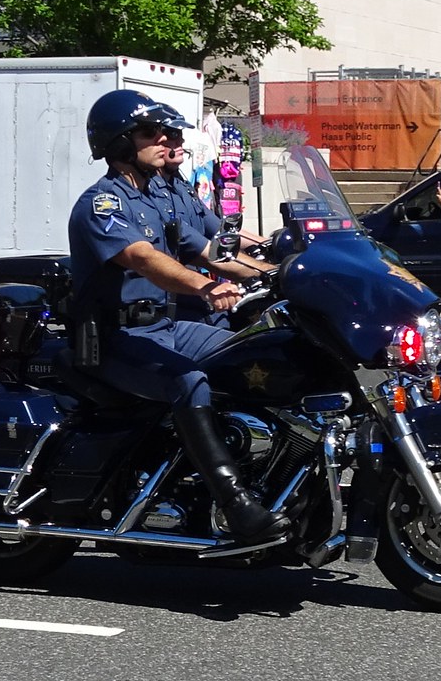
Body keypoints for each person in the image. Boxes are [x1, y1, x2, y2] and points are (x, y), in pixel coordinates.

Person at [66, 88, 290, 543]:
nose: (167, 139)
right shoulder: (102, 203)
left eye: (167, 132)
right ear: (119, 142)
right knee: (189, 382)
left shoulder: (155, 200)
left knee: (254, 353)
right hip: (116, 337)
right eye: (151, 132)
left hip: (165, 327)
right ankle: (235, 503)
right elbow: (143, 258)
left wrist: (284, 273)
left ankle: (269, 473)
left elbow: (212, 250)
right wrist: (205, 287)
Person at [151, 105, 270, 323]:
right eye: (173, 135)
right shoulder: (150, 193)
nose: (181, 141)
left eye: (180, 135)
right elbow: (206, 252)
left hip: (198, 297)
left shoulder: (181, 186)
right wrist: (263, 271)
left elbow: (222, 231)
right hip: (178, 300)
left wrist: (269, 244)